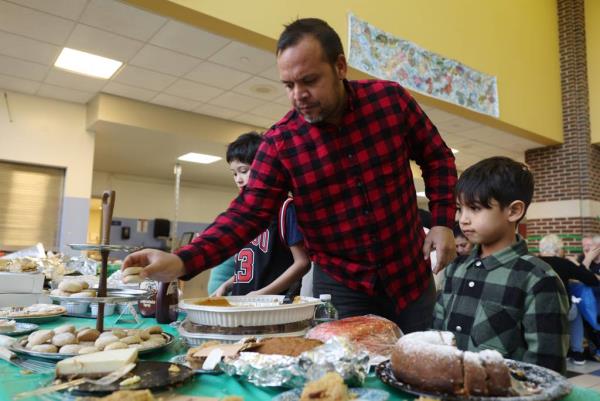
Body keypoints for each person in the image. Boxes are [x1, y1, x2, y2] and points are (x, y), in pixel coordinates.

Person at [123, 18, 457, 332]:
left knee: (418, 374)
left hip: (409, 278)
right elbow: (248, 213)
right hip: (342, 285)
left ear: (340, 66)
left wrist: (442, 221)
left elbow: (437, 156)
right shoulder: (281, 143)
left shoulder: (389, 102)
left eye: (309, 80)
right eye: (288, 85)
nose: (298, 95)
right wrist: (183, 261)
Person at [433, 156, 569, 374]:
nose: (463, 219)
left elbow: (547, 370)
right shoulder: (454, 269)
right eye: (460, 208)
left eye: (475, 208)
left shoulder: (539, 279)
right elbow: (436, 338)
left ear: (513, 211)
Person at [214, 132, 310, 296]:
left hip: (272, 308)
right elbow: (252, 268)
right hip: (242, 303)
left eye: (244, 171)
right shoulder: (242, 213)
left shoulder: (286, 208)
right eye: (234, 173)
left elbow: (303, 263)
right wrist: (227, 284)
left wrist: (262, 294)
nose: (238, 179)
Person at [538, 234, 599, 365]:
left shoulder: (532, 262)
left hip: (537, 309)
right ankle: (577, 352)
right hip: (561, 310)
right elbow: (591, 279)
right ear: (558, 250)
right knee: (575, 310)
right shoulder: (564, 263)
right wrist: (585, 261)